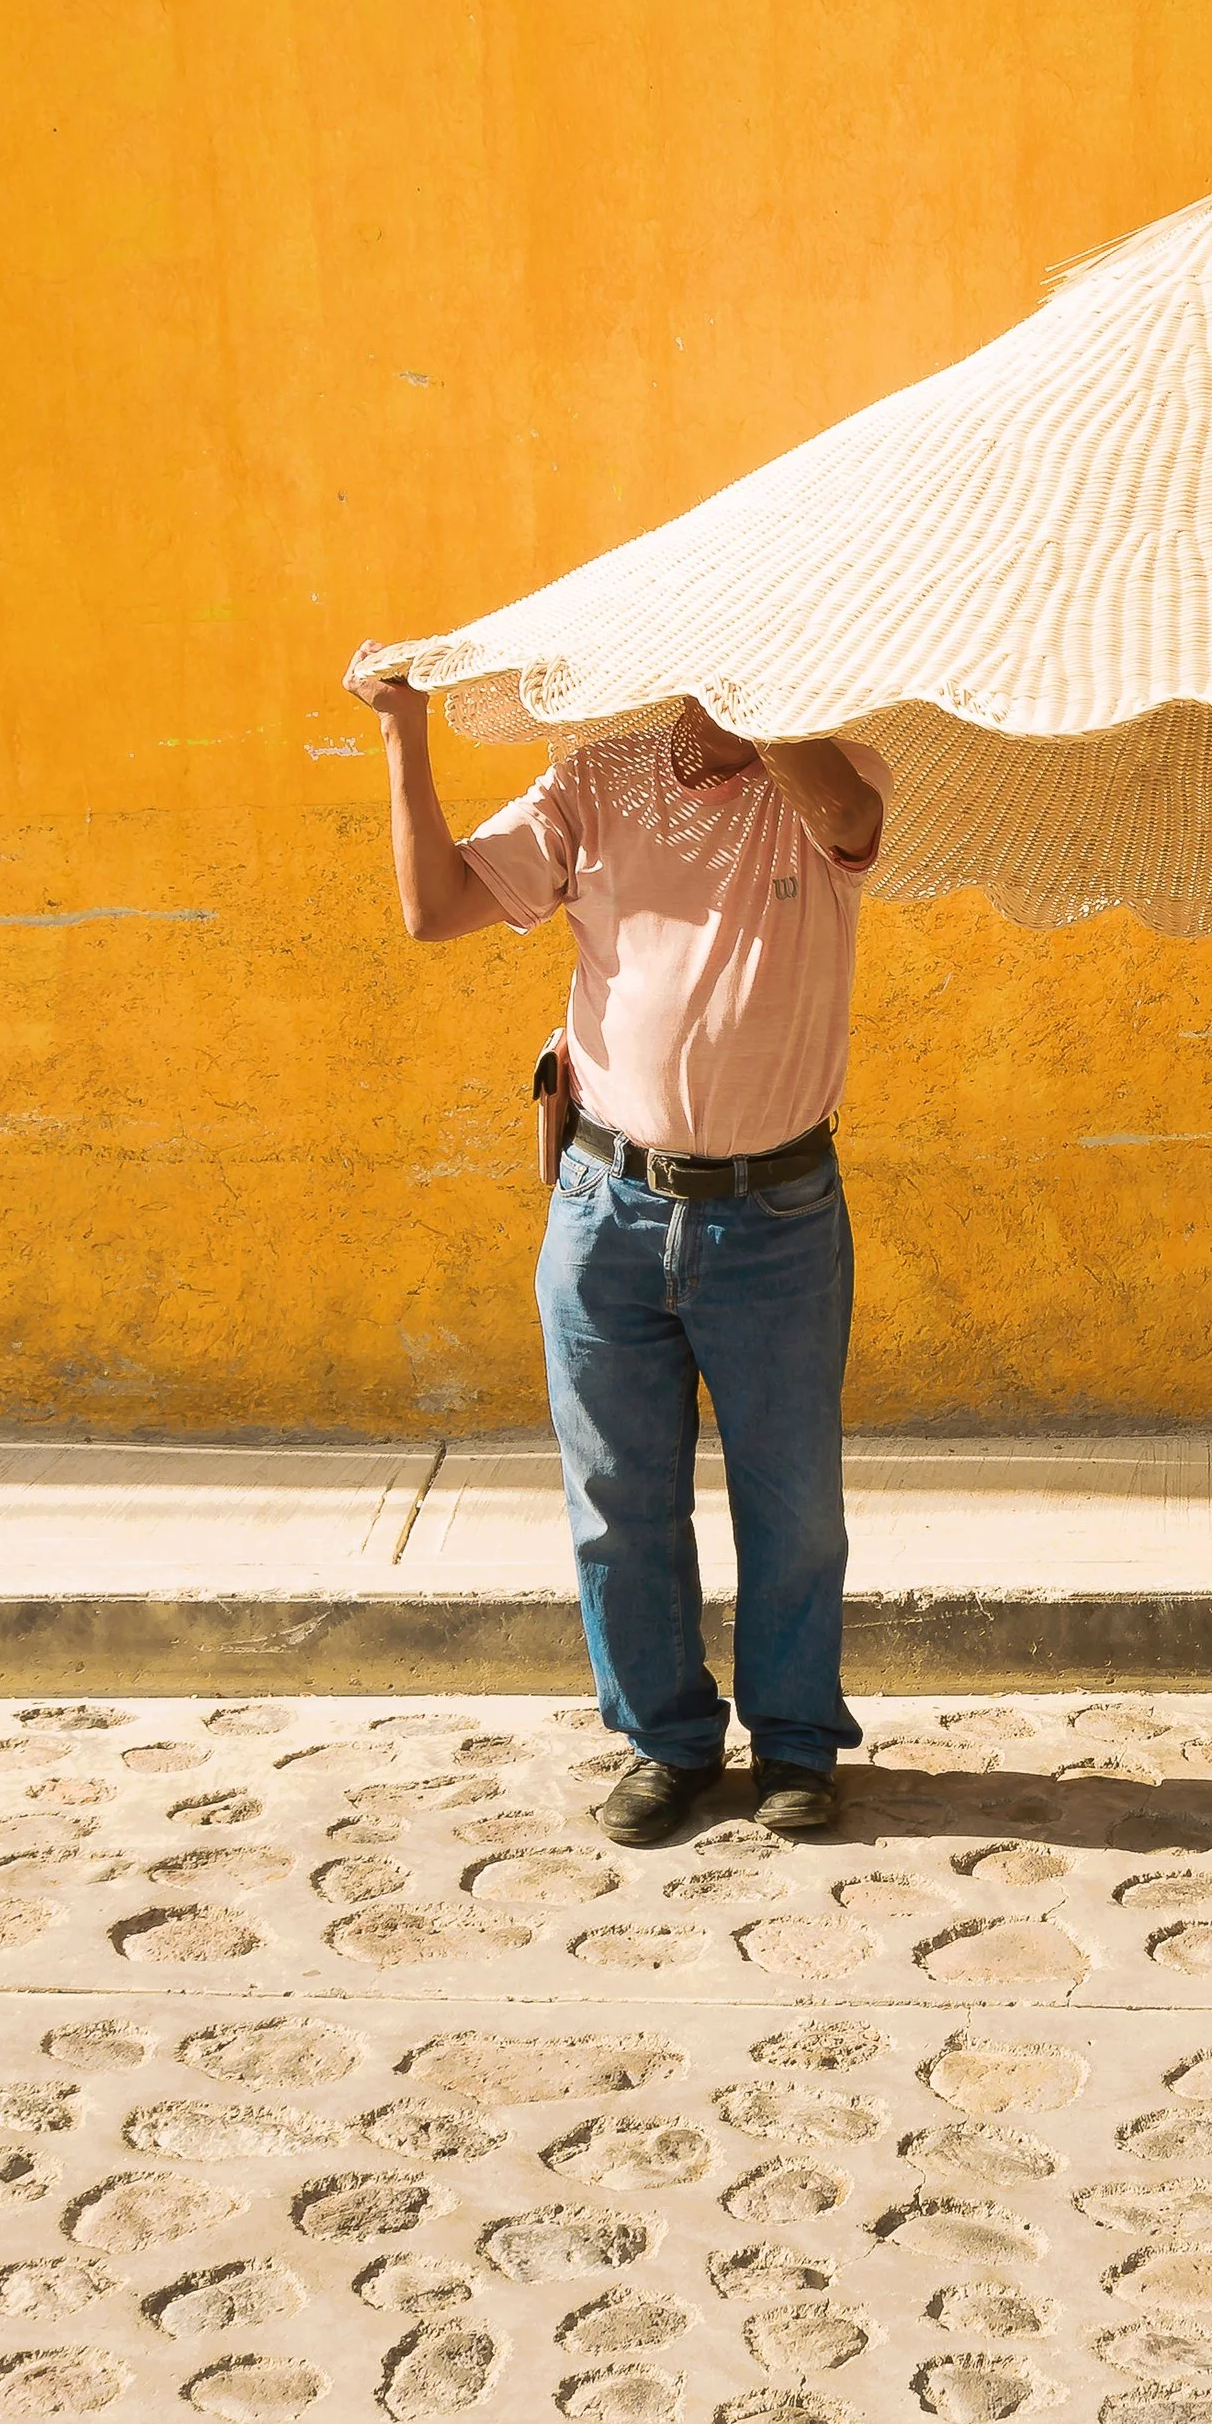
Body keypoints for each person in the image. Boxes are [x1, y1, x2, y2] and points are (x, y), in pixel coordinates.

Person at [345, 652, 890, 1846]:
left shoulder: (832, 773)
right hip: (606, 1207)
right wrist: (403, 732)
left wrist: (765, 699)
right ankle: (666, 1743)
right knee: (617, 1501)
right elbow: (435, 908)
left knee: (794, 1506)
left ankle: (796, 1745)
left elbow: (852, 821)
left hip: (776, 1217)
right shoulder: (593, 784)